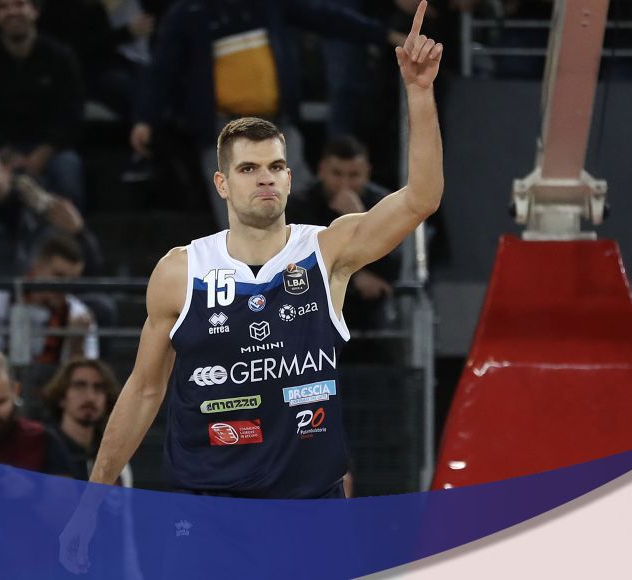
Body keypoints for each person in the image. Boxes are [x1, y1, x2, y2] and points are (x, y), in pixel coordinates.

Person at [60, 3, 441, 568]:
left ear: (289, 175)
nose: (266, 178)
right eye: (248, 169)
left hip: (310, 511)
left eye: (276, 167)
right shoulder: (181, 271)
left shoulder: (327, 250)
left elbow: (420, 199)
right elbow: (143, 391)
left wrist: (419, 93)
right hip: (209, 513)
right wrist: (90, 503)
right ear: (221, 183)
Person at [129, 0, 406, 228]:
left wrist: (384, 34)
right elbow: (161, 71)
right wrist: (145, 118)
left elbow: (326, 17)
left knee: (300, 213)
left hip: (277, 126)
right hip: (224, 132)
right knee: (238, 222)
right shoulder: (189, 11)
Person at [0, 0, 86, 210]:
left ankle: (70, 230)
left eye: (19, 4)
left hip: (51, 148)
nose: (12, 12)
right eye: (3, 7)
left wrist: (43, 152)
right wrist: (6, 153)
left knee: (68, 173)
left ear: (35, 11)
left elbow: (72, 113)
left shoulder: (61, 57)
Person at [288, 135, 402, 332]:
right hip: (312, 303)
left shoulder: (383, 204)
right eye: (337, 174)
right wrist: (354, 276)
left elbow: (392, 265)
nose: (345, 184)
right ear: (322, 170)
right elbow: (299, 259)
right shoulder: (299, 205)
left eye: (354, 175)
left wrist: (360, 218)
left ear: (366, 174)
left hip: (368, 307)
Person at [0, 145, 103, 278]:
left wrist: (80, 233)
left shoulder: (49, 212)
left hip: (51, 295)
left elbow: (92, 270)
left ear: (6, 171)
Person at [0, 234, 99, 365]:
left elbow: (86, 378)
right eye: (59, 276)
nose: (64, 287)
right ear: (37, 266)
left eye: (72, 280)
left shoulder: (79, 315)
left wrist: (76, 345)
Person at [41, 357, 131, 485]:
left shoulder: (114, 455)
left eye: (98, 388)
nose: (90, 397)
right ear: (61, 396)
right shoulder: (43, 448)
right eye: (79, 386)